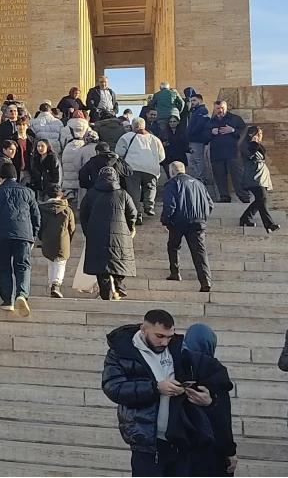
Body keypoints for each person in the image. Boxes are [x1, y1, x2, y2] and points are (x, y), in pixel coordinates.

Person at [102, 309, 231, 477]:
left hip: (180, 439)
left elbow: (215, 373)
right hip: (147, 441)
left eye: (169, 336)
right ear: (143, 329)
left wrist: (210, 397)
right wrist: (156, 388)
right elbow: (113, 387)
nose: (164, 342)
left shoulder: (178, 348)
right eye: (159, 336)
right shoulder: (121, 352)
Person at [0, 164, 40, 315]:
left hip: (0, 235)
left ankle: (8, 300)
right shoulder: (28, 192)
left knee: (3, 266)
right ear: (16, 176)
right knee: (23, 266)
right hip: (23, 235)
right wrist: (33, 236)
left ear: (1, 177)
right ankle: (22, 294)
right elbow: (36, 216)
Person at [182, 324, 238, 478]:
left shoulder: (176, 368)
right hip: (210, 452)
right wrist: (230, 452)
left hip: (181, 451)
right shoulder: (214, 371)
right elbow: (222, 419)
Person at [81, 167, 138, 301]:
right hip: (120, 234)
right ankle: (119, 285)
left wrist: (88, 230)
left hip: (96, 234)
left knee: (101, 266)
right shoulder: (122, 193)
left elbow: (83, 215)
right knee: (118, 260)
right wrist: (130, 227)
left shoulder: (91, 194)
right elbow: (133, 213)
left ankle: (105, 293)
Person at [159, 162, 214, 291]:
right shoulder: (199, 184)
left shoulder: (172, 183)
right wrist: (203, 217)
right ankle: (206, 281)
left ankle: (175, 272)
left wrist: (165, 220)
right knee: (200, 252)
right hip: (198, 222)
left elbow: (170, 204)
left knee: (173, 246)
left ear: (172, 171)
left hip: (178, 222)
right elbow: (210, 204)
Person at [117, 119, 166, 221]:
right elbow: (162, 156)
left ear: (132, 126)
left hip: (132, 167)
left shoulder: (127, 137)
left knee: (134, 190)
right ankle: (149, 206)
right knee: (150, 187)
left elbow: (119, 152)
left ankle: (137, 214)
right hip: (151, 167)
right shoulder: (155, 139)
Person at [38, 185, 76, 298]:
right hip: (62, 239)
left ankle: (51, 285)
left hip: (47, 239)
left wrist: (42, 237)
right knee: (60, 263)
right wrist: (69, 239)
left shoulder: (42, 209)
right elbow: (72, 228)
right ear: (61, 195)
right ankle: (56, 285)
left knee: (51, 262)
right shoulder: (67, 210)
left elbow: (39, 225)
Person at [239, 125, 279, 232]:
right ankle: (269, 224)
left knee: (260, 200)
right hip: (254, 175)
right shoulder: (246, 145)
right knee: (262, 199)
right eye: (258, 134)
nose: (260, 136)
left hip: (262, 175)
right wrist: (254, 143)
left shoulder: (257, 145)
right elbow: (249, 155)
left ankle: (245, 218)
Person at [206, 101, 248, 203]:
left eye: (221, 108)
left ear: (226, 107)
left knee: (237, 175)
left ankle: (244, 197)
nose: (220, 110)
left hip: (233, 153)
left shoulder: (235, 119)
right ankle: (224, 196)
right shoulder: (211, 122)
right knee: (219, 176)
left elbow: (245, 132)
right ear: (214, 109)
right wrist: (211, 132)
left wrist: (233, 131)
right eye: (217, 108)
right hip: (216, 153)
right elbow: (203, 136)